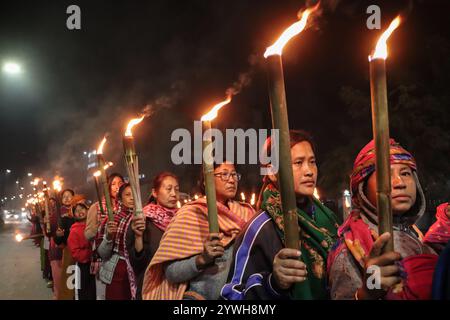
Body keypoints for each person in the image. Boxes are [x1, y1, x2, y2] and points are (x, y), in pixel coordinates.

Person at [221, 130, 339, 300]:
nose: (309, 171)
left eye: (312, 162)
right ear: (272, 171)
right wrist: (273, 283)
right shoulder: (260, 228)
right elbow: (232, 295)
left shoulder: (328, 217)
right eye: (298, 163)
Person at [327, 139, 438, 300]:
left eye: (405, 173)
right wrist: (368, 293)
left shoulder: (417, 234)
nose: (399, 183)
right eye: (385, 175)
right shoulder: (350, 249)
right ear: (362, 189)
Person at [142, 162, 255, 300]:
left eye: (234, 175)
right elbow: (171, 273)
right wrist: (202, 259)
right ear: (207, 181)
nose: (231, 180)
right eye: (224, 174)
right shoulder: (191, 214)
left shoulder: (247, 213)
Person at [126, 172, 179, 299]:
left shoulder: (182, 218)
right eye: (168, 189)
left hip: (177, 288)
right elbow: (137, 263)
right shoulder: (142, 220)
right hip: (151, 289)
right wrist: (138, 237)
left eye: (176, 189)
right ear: (155, 192)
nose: (173, 194)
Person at [85, 173, 124, 300]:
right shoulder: (96, 207)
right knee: (102, 294)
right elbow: (88, 234)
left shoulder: (125, 206)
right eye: (113, 184)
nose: (117, 187)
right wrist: (101, 225)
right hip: (103, 257)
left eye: (120, 183)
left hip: (120, 259)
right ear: (107, 187)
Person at [97, 183, 135, 300]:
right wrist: (108, 236)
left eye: (134, 194)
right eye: (128, 194)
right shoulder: (113, 220)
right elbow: (102, 254)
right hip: (118, 273)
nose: (132, 198)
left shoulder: (143, 217)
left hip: (136, 271)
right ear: (119, 198)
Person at [67, 196, 96, 300]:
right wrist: (90, 254)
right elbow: (75, 252)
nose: (80, 212)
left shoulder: (93, 225)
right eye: (77, 211)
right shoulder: (74, 230)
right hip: (83, 266)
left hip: (95, 263)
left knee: (94, 290)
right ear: (74, 214)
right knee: (84, 291)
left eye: (82, 209)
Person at [54, 189, 76, 300]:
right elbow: (58, 239)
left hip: (83, 250)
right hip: (69, 251)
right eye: (64, 197)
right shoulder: (60, 216)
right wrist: (58, 235)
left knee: (82, 279)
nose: (67, 198)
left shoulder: (80, 211)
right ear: (61, 200)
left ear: (74, 197)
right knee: (69, 278)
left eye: (69, 196)